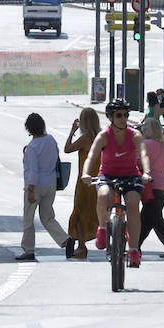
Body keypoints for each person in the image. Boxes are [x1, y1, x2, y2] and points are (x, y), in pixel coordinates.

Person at [82, 97, 152, 269]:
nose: (123, 118)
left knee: (133, 203)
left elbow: (144, 155)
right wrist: (85, 173)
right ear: (110, 117)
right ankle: (102, 229)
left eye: (126, 115)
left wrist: (147, 172)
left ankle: (134, 250)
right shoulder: (103, 136)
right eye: (119, 115)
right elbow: (91, 156)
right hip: (108, 175)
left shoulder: (135, 135)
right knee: (104, 194)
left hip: (130, 176)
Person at [15, 112, 73, 261]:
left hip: (35, 186)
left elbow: (32, 170)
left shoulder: (32, 147)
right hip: (51, 183)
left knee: (28, 219)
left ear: (29, 129)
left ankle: (29, 250)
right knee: (48, 217)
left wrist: (30, 190)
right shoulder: (51, 140)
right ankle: (65, 240)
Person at [138, 118, 164, 257]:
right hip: (163, 187)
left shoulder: (145, 144)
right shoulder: (163, 146)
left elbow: (138, 162)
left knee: (147, 219)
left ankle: (135, 247)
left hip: (150, 186)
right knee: (154, 218)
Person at [64, 108, 100, 259]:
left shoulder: (85, 138)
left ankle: (81, 246)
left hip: (85, 181)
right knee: (97, 213)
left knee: (79, 213)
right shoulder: (101, 136)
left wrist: (72, 131)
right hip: (100, 180)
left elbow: (67, 149)